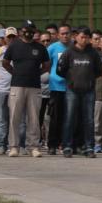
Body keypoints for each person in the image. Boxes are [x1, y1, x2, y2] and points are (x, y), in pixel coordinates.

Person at [3, 20, 50, 157]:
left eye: (31, 30)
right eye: (26, 29)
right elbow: (5, 63)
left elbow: (46, 65)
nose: (28, 32)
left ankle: (33, 146)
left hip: (34, 86)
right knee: (14, 117)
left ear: (34, 31)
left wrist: (36, 74)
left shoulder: (40, 48)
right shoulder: (14, 46)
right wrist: (15, 73)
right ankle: (13, 146)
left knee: (34, 118)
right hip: (17, 85)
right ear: (21, 31)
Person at [57, 27, 102, 157]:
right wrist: (71, 80)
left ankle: (88, 147)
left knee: (89, 120)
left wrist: (88, 79)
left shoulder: (93, 53)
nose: (84, 40)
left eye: (87, 37)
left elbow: (99, 70)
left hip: (88, 91)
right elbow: (60, 70)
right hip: (72, 91)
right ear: (76, 37)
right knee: (69, 119)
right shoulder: (69, 52)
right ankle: (67, 146)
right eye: (82, 37)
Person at [46, 24, 70, 154]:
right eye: (62, 33)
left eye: (67, 33)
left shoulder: (74, 48)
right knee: (55, 118)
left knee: (69, 118)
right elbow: (47, 64)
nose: (65, 36)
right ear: (58, 35)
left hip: (71, 88)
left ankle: (65, 143)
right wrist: (54, 76)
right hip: (56, 88)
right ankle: (52, 145)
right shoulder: (52, 48)